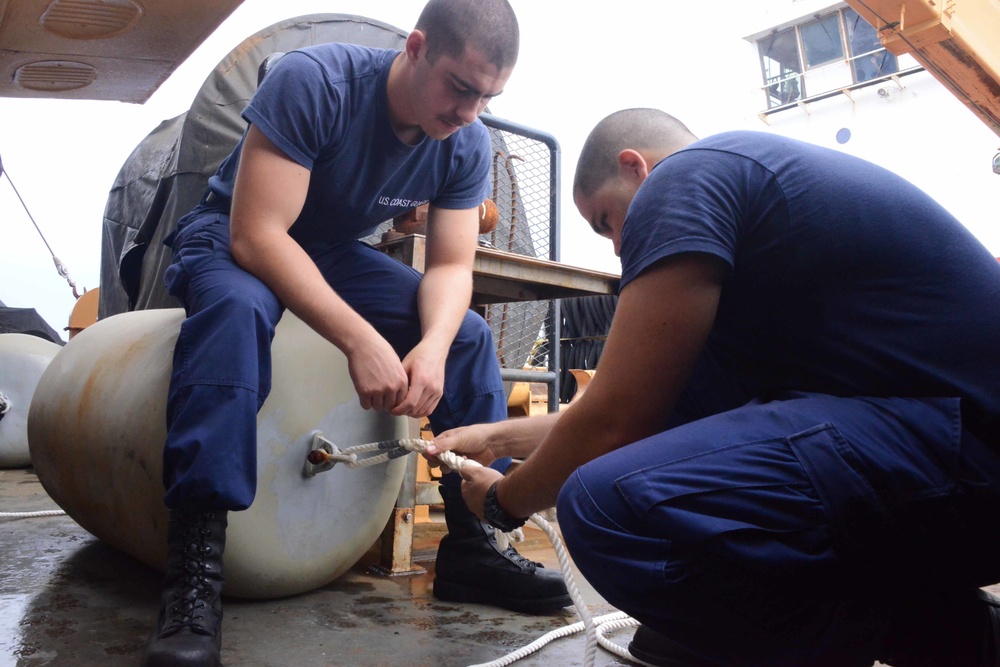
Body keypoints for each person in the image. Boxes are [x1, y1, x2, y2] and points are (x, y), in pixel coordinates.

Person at [426, 108, 1000, 666]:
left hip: (964, 452)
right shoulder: (760, 258)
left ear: (636, 168)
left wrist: (505, 501)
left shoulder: (687, 175)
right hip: (956, 471)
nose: (619, 249)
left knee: (606, 507)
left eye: (606, 222)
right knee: (669, 570)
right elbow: (662, 416)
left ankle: (931, 634)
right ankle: (957, 637)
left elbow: (615, 420)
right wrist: (500, 436)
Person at [141, 2, 570, 665]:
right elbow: (258, 235)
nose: (468, 111)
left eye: (487, 98)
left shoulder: (464, 141)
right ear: (418, 48)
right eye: (461, 87)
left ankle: (474, 544)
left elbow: (454, 265)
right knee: (235, 312)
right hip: (234, 230)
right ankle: (196, 569)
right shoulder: (317, 82)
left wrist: (428, 345)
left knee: (464, 340)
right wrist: (359, 338)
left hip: (331, 249)